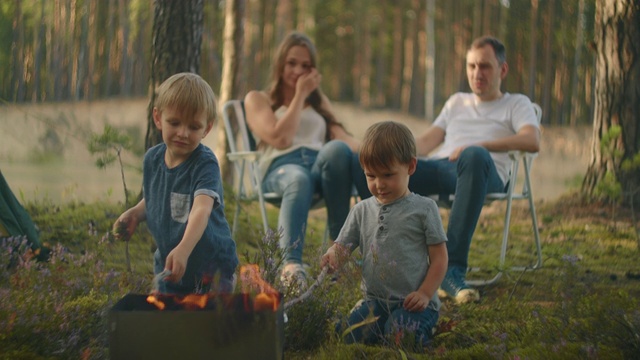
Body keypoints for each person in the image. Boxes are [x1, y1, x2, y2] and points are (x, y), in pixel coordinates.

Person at [353, 36, 541, 304]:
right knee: (378, 167)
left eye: (485, 66)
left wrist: (477, 145)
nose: (477, 73)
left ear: (503, 69)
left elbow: (531, 141)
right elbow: (427, 142)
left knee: (474, 156)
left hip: (481, 172)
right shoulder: (456, 102)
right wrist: (386, 153)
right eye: (472, 66)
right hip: (441, 166)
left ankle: (452, 270)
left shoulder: (516, 103)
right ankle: (375, 258)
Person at [243, 32, 359, 289]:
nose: (298, 70)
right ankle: (291, 266)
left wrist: (383, 151)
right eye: (291, 63)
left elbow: (344, 139)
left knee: (338, 150)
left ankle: (338, 256)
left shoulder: (319, 103)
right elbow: (280, 138)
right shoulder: (258, 99)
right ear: (280, 64)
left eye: (305, 66)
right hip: (280, 170)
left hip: (319, 167)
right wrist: (300, 94)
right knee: (298, 176)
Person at [322, 121, 448, 348]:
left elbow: (440, 258)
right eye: (371, 176)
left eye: (388, 175)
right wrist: (333, 256)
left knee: (399, 335)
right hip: (375, 302)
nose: (379, 184)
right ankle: (379, 327)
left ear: (410, 166)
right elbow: (343, 247)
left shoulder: (424, 209)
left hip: (414, 303)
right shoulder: (361, 210)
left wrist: (425, 293)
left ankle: (422, 326)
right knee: (348, 335)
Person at [113, 72, 239, 295]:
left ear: (207, 129)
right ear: (158, 118)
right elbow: (156, 196)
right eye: (175, 123)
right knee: (167, 324)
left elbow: (201, 209)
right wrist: (134, 214)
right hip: (171, 265)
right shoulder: (152, 159)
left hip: (212, 267)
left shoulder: (205, 163)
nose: (183, 133)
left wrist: (184, 248)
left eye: (193, 127)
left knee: (211, 324)